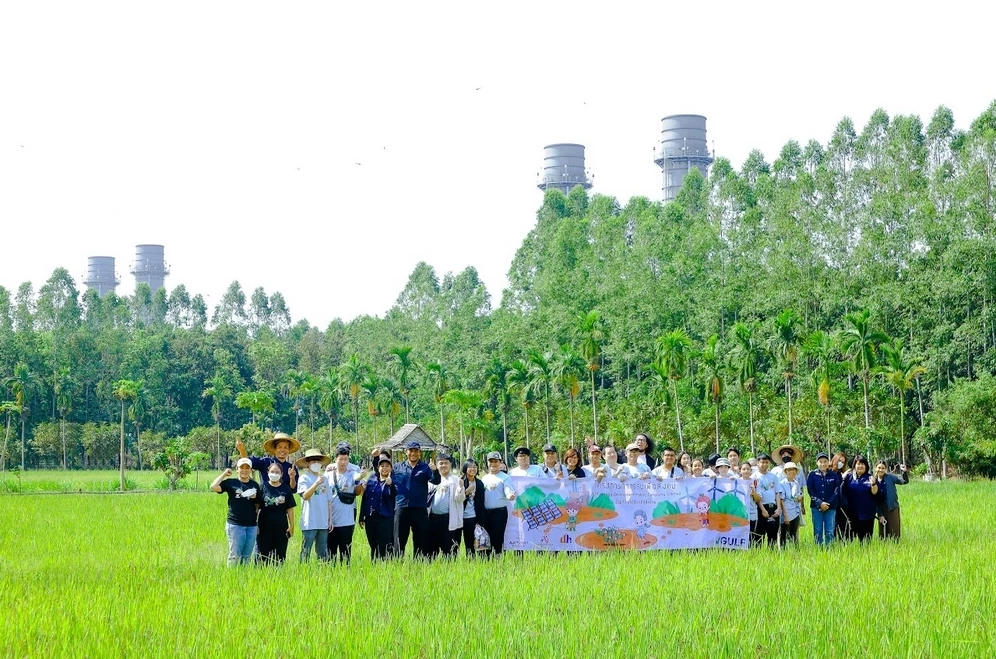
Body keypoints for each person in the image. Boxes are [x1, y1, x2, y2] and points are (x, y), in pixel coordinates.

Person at [210, 457, 260, 566]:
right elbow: (213, 486)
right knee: (235, 555)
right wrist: (224, 474)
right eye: (242, 467)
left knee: (247, 556)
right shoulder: (231, 483)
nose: (244, 470)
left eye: (247, 468)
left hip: (251, 525)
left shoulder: (254, 485)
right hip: (235, 525)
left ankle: (243, 578)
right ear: (237, 469)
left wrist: (257, 523)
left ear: (251, 470)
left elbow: (258, 505)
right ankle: (232, 577)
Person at [393, 440, 433, 559]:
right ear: (406, 452)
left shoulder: (425, 468)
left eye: (416, 451)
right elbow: (384, 475)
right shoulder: (397, 467)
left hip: (419, 508)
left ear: (420, 453)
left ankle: (419, 564)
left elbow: (436, 481)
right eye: (411, 451)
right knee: (399, 538)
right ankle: (397, 563)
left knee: (421, 539)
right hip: (402, 507)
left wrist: (434, 470)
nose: (413, 453)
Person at [327, 444, 364, 565]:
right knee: (331, 550)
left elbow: (357, 478)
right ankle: (330, 574)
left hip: (347, 520)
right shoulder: (328, 475)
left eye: (346, 459)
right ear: (335, 459)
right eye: (341, 459)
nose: (343, 462)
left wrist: (361, 475)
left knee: (346, 551)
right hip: (330, 519)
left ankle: (345, 573)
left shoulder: (352, 473)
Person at [295, 448, 332, 563]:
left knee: (322, 551)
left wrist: (330, 520)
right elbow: (305, 496)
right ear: (307, 463)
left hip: (323, 521)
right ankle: (303, 571)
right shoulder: (304, 478)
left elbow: (329, 500)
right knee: (306, 550)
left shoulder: (325, 479)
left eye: (318, 461)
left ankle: (323, 572)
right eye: (313, 461)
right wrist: (316, 483)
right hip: (309, 521)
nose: (316, 463)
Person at [426, 454, 465, 559]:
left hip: (448, 519)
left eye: (446, 463)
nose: (443, 465)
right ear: (436, 465)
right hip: (432, 518)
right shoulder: (431, 479)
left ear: (450, 464)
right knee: (430, 550)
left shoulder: (455, 480)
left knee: (449, 551)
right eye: (441, 463)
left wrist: (460, 487)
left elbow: (460, 499)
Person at [257, 462, 296, 564]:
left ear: (282, 474)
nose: (274, 474)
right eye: (272, 471)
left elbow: (290, 509)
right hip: (264, 526)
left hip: (281, 526)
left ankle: (278, 576)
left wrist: (292, 525)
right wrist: (255, 524)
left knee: (280, 555)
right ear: (268, 472)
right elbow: (256, 507)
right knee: (263, 555)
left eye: (277, 472)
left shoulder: (286, 489)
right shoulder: (262, 487)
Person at [359, 455, 397, 561]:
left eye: (387, 466)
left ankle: (383, 567)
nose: (384, 468)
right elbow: (365, 498)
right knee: (373, 545)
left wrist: (391, 484)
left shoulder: (394, 480)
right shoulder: (372, 479)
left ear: (391, 468)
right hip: (371, 517)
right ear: (378, 468)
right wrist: (362, 516)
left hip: (385, 518)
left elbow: (394, 494)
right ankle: (374, 565)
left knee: (383, 546)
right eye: (382, 466)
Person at [480, 451, 516, 556]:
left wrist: (510, 495)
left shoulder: (505, 477)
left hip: (499, 513)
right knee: (486, 539)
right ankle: (486, 562)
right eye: (491, 461)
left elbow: (508, 490)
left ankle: (498, 561)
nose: (493, 464)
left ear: (500, 463)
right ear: (487, 463)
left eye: (496, 461)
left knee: (497, 538)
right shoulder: (484, 478)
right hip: (485, 513)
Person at [841, 456, 880, 543]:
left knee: (866, 541)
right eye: (858, 464)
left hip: (867, 514)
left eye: (863, 464)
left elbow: (875, 493)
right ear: (854, 465)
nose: (860, 466)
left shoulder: (870, 477)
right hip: (851, 514)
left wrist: (873, 484)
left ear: (866, 466)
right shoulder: (849, 477)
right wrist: (842, 477)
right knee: (848, 540)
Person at [806, 452, 842, 547]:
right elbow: (810, 490)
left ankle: (829, 549)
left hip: (831, 508)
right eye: (820, 462)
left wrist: (827, 504)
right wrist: (820, 503)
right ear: (817, 463)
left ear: (828, 462)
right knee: (817, 530)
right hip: (816, 507)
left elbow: (836, 491)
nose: (823, 464)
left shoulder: (833, 475)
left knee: (829, 530)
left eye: (825, 461)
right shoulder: (812, 475)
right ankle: (819, 549)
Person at [874, 460, 909, 541]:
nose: (881, 470)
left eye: (883, 468)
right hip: (881, 509)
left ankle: (896, 549)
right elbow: (875, 499)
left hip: (892, 508)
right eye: (879, 468)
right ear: (875, 468)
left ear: (885, 469)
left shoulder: (890, 477)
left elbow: (904, 481)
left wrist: (904, 472)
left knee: (895, 533)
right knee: (883, 535)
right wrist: (880, 514)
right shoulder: (873, 481)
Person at [460, 460, 487, 558]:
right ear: (465, 468)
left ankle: (471, 562)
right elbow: (456, 499)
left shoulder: (479, 484)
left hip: (472, 517)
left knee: (470, 543)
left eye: (475, 466)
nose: (473, 469)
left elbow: (481, 503)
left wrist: (480, 521)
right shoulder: (460, 481)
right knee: (455, 542)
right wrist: (466, 492)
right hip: (459, 517)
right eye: (470, 466)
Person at [753, 453, 781, 547]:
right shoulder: (754, 477)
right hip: (760, 508)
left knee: (773, 533)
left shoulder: (773, 476)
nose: (764, 464)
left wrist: (778, 508)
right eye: (762, 462)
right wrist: (763, 510)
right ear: (757, 463)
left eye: (766, 462)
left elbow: (777, 492)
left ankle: (772, 555)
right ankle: (758, 555)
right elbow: (756, 495)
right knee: (759, 533)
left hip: (773, 507)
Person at [778, 462, 804, 548]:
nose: (791, 471)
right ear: (785, 472)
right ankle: (782, 553)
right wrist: (785, 515)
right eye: (789, 470)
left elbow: (799, 495)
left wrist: (800, 499)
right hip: (786, 512)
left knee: (794, 534)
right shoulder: (782, 484)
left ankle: (795, 553)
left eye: (793, 469)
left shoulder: (796, 483)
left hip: (796, 511)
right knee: (784, 535)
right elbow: (781, 500)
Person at [829, 451, 850, 540]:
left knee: (844, 526)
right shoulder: (828, 473)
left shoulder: (840, 474)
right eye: (839, 461)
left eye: (843, 462)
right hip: (831, 504)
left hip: (841, 504)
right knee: (832, 526)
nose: (840, 463)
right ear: (834, 460)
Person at [739, 462, 760, 548]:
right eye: (743, 469)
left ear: (751, 470)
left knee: (751, 533)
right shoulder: (736, 481)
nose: (746, 471)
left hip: (752, 512)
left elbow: (758, 499)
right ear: (740, 471)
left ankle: (750, 551)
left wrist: (753, 492)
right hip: (740, 513)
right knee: (740, 533)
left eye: (748, 469)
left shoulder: (755, 482)